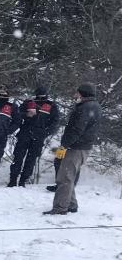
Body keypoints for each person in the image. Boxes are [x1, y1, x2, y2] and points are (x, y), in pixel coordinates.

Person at [44, 82, 102, 215]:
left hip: (76, 147)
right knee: (68, 176)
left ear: (83, 93)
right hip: (81, 146)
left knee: (64, 178)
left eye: (77, 92)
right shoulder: (94, 106)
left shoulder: (85, 108)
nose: (75, 95)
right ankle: (71, 204)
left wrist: (64, 145)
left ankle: (60, 208)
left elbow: (77, 129)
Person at [8, 84, 60, 186]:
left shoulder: (51, 106)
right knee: (18, 157)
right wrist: (26, 115)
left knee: (31, 160)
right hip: (25, 132)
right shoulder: (29, 102)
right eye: (39, 95)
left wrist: (46, 132)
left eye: (42, 96)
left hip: (39, 135)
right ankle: (13, 179)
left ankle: (23, 180)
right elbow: (18, 114)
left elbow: (55, 122)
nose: (40, 98)